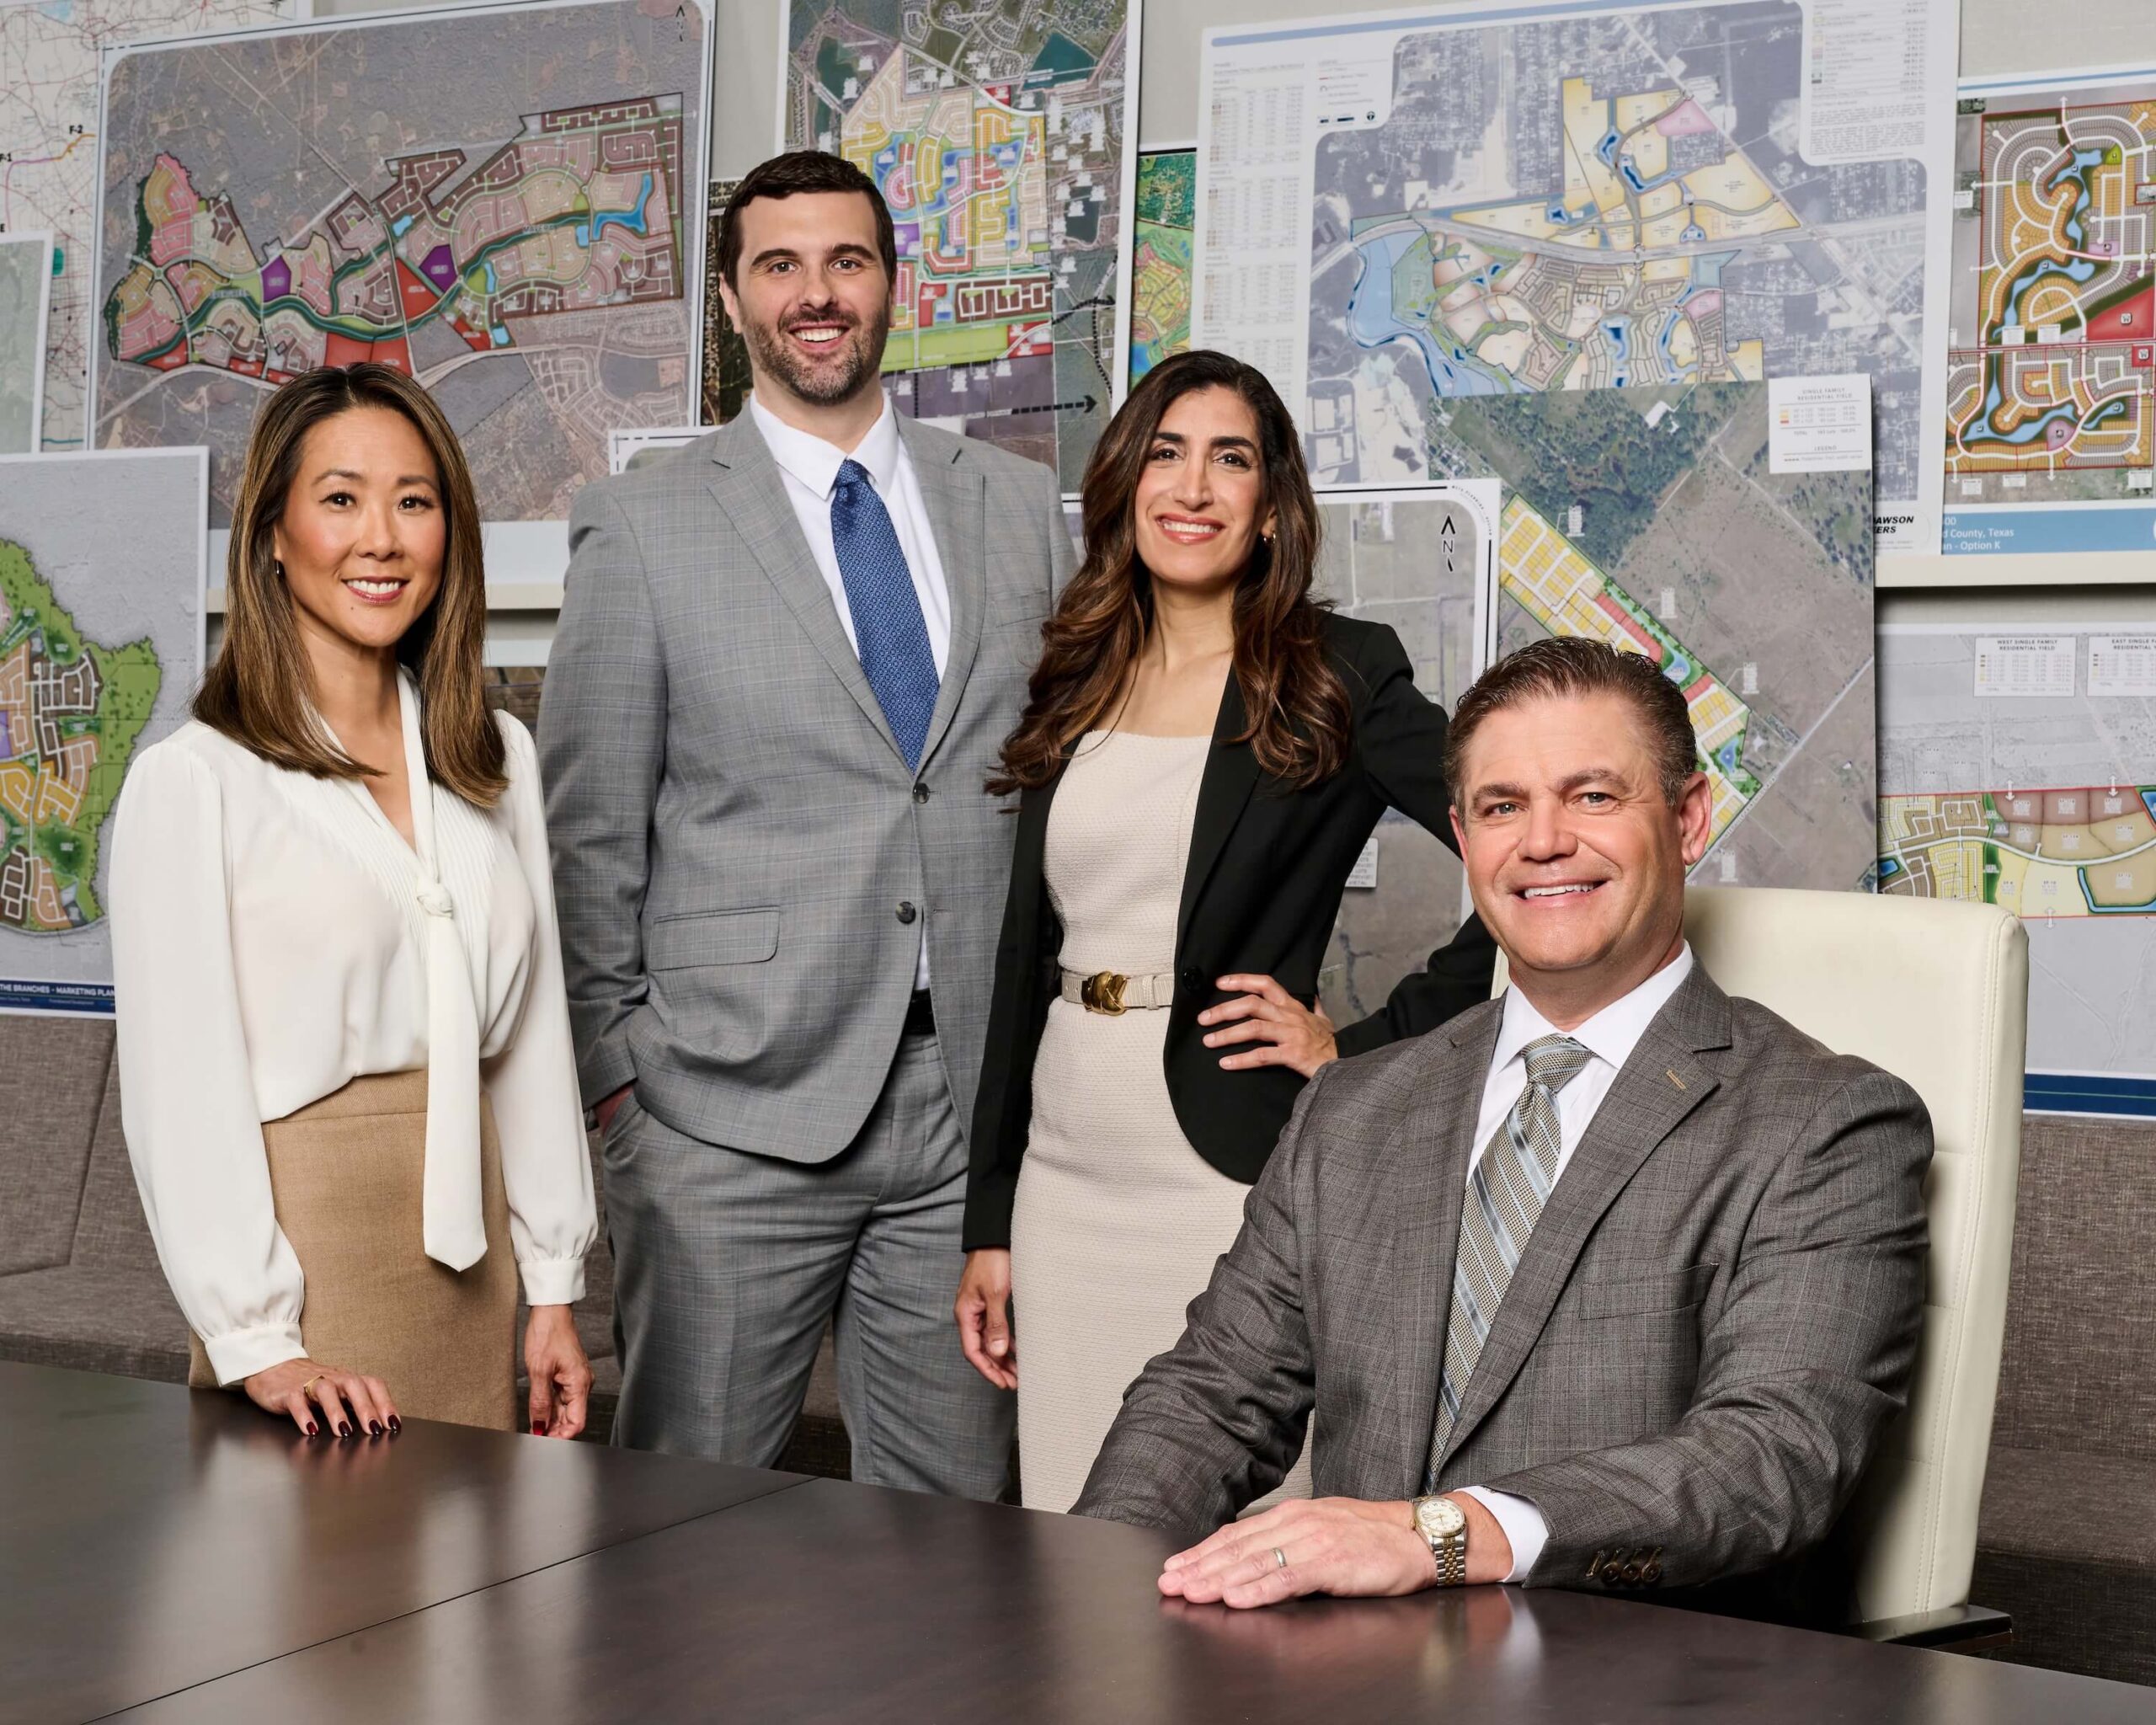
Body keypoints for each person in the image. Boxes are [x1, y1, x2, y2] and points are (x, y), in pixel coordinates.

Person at [1074, 636, 1932, 1627]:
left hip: (1637, 1677)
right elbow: (1209, 1397)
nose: (1543, 842)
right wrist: (1098, 1597)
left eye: (1593, 796)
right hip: (1346, 1676)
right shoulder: (1353, 1107)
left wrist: (1434, 1534)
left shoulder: (1823, 1125)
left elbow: (1768, 1462)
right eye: (1501, 806)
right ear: (1463, 836)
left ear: (1689, 818)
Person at [539, 150, 1073, 1493]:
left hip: (967, 1123)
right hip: (723, 1119)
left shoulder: (1014, 506)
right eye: (779, 266)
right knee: (682, 1539)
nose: (815, 294)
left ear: (893, 284)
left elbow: (1057, 778)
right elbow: (585, 834)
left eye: (846, 261)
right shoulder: (641, 525)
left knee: (954, 1543)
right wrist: (625, 1098)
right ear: (730, 301)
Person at [954, 350, 1499, 1512]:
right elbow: (1023, 965)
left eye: (1230, 459)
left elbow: (1524, 850)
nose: (1193, 486)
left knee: (1243, 1548)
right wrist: (989, 1220)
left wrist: (1364, 1049)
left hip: (1228, 1177)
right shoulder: (1074, 672)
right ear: (1125, 484)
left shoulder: (1336, 675)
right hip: (1063, 1179)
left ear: (1268, 506)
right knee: (1071, 1529)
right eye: (1166, 452)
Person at [109, 363, 596, 1439]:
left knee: (476, 1590)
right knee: (314, 1590)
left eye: (413, 501)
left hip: (477, 1277)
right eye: (339, 499)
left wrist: (556, 1281)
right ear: (274, 533)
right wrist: (258, 1337)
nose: (381, 537)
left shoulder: (496, 759)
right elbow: (180, 1086)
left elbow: (530, 1044)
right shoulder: (197, 780)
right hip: (307, 1267)